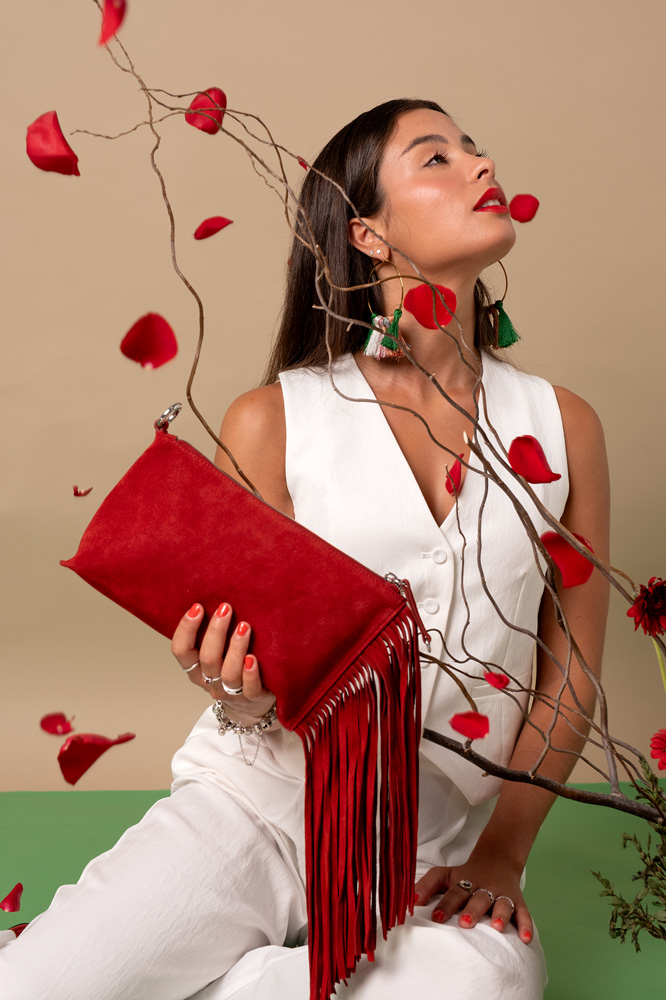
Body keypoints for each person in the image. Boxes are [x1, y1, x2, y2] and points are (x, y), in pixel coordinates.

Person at [0, 98, 609, 1000]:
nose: (481, 166)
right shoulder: (275, 420)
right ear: (367, 234)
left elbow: (573, 673)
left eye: (476, 148)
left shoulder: (563, 428)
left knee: (488, 983)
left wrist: (503, 853)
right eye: (437, 157)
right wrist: (233, 692)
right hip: (255, 809)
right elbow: (254, 679)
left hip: (426, 861)